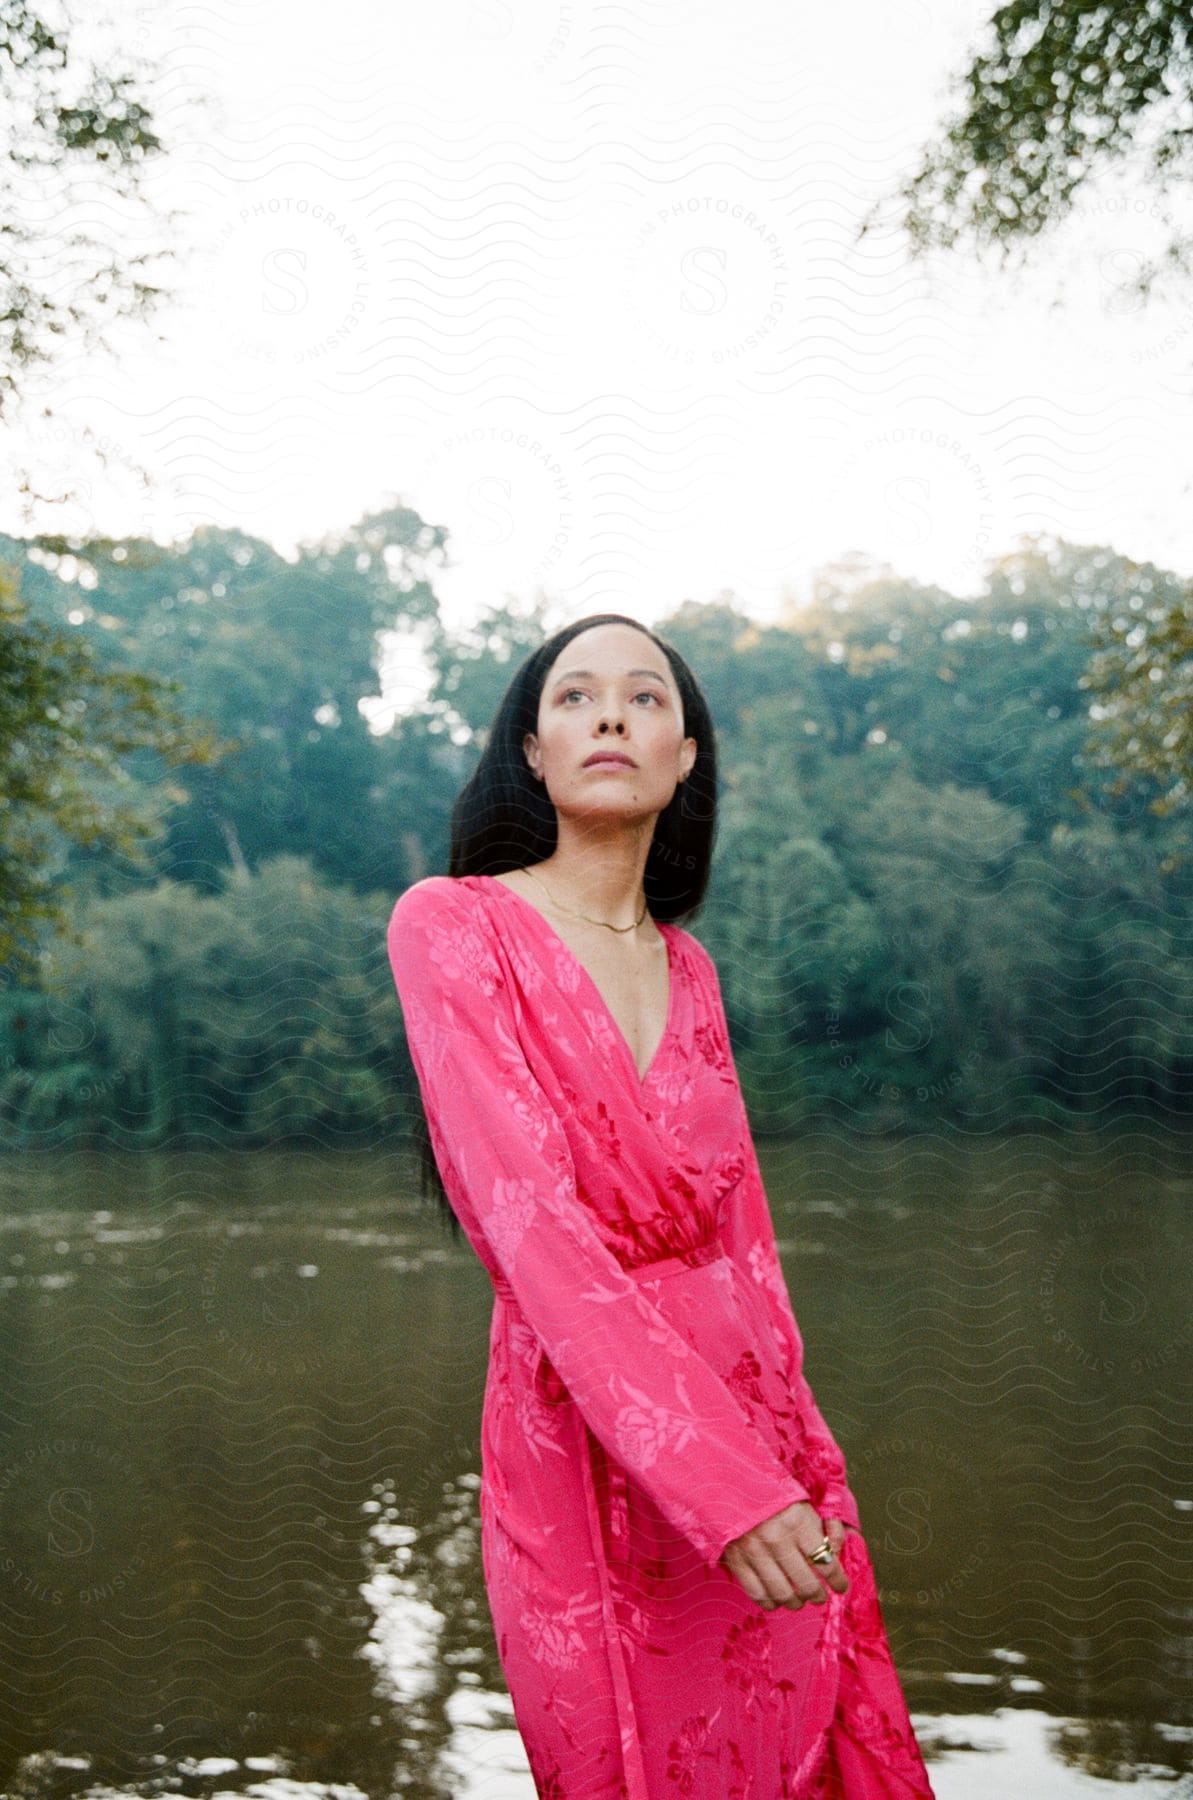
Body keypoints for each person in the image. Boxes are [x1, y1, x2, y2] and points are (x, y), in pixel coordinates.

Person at [386, 614, 935, 1798]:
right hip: (577, 1427)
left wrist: (795, 1464)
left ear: (685, 756)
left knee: (798, 1740)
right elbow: (529, 1230)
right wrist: (724, 1495)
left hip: (751, 1429)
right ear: (529, 751)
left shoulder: (689, 969)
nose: (610, 718)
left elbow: (745, 1249)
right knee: (616, 1753)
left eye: (644, 699)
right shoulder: (452, 923)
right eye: (575, 698)